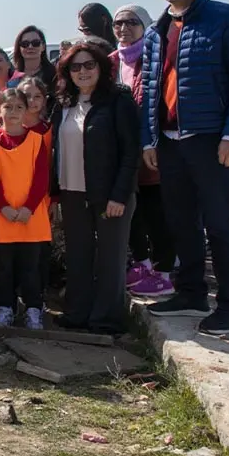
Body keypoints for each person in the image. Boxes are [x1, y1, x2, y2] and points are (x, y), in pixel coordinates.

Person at [140, 0, 229, 336]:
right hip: (171, 141)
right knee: (181, 220)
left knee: (220, 224)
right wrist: (150, 139)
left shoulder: (228, 19)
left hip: (213, 139)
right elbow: (149, 90)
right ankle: (191, 292)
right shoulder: (157, 32)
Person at [49, 42, 140, 335]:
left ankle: (106, 320)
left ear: (102, 67)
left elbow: (130, 152)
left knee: (111, 258)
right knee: (78, 256)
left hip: (109, 194)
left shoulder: (118, 101)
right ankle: (77, 314)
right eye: (75, 67)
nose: (83, 71)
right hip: (72, 192)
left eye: (89, 65)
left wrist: (120, 195)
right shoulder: (63, 104)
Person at [108, 5, 175, 297]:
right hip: (121, 149)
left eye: (131, 22)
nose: (123, 28)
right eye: (118, 23)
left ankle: (163, 271)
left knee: (156, 210)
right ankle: (142, 263)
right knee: (130, 209)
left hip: (152, 148)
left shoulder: (156, 59)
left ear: (146, 26)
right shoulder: (110, 62)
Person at [0, 88, 51, 330]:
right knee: (3, 267)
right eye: (7, 107)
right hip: (2, 217)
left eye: (18, 107)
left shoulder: (37, 141)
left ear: (27, 110)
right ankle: (5, 308)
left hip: (31, 216)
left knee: (31, 267)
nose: (13, 112)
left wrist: (29, 208)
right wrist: (3, 207)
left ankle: (33, 309)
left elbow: (42, 178)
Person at [9, 26, 56, 95]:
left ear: (43, 46)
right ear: (19, 48)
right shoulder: (11, 76)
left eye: (36, 43)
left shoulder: (54, 74)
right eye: (25, 44)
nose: (30, 47)